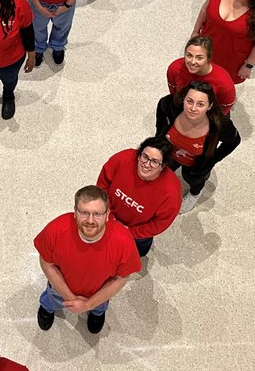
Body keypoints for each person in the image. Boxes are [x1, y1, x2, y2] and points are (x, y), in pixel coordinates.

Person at [34, 185, 141, 335]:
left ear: (107, 214)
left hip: (99, 292)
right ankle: (47, 308)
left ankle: (96, 313)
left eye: (97, 214)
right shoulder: (55, 230)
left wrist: (88, 305)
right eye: (84, 212)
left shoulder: (124, 242)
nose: (90, 220)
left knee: (100, 306)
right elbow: (47, 263)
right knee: (52, 298)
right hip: (61, 287)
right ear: (75, 213)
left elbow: (121, 278)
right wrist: (70, 298)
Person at [155, 80, 241, 204]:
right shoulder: (169, 105)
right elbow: (161, 118)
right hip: (169, 154)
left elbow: (234, 141)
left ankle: (195, 194)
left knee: (193, 179)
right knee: (162, 172)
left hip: (196, 164)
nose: (193, 109)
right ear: (183, 99)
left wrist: (210, 161)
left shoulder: (219, 124)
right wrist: (159, 138)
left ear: (209, 106)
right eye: (190, 101)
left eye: (200, 104)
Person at [97, 138, 183, 258]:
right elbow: (103, 185)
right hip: (107, 217)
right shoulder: (123, 159)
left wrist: (130, 232)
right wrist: (110, 216)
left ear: (162, 166)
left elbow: (160, 223)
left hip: (138, 235)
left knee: (137, 252)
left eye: (154, 162)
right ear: (138, 155)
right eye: (145, 157)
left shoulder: (171, 191)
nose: (146, 165)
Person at [166, 35, 236, 116]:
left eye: (199, 58)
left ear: (209, 58)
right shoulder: (174, 68)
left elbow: (224, 109)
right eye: (189, 55)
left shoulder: (224, 83)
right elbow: (174, 93)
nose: (192, 62)